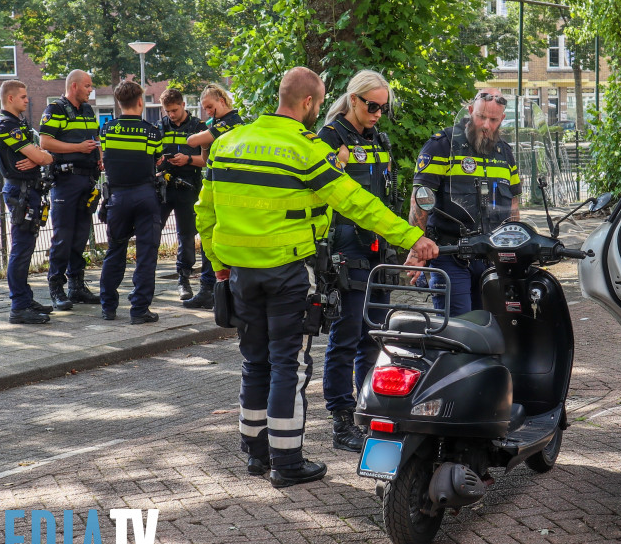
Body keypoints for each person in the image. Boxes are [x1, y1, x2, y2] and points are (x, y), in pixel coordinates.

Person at [195, 66, 438, 488]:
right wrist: (412, 237)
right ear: (308, 103)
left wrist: (219, 265)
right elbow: (357, 203)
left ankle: (255, 454)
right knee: (289, 364)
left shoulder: (228, 143)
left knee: (255, 362)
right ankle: (286, 461)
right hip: (289, 273)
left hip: (240, 275)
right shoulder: (307, 150)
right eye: (319, 103)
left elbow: (205, 212)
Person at [316, 69, 398, 452]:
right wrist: (337, 166)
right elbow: (317, 193)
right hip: (346, 249)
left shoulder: (378, 138)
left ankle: (367, 410)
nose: (378, 112)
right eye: (372, 105)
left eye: (383, 107)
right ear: (353, 100)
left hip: (378, 249)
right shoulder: (330, 138)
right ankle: (341, 419)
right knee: (346, 336)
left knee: (372, 336)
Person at [411, 89, 520, 315]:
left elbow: (513, 205)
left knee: (490, 326)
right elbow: (420, 199)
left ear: (502, 119)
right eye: (481, 116)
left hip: (490, 256)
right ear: (470, 111)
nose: (486, 125)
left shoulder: (505, 153)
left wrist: (514, 248)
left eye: (493, 119)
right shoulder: (442, 145)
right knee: (457, 327)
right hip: (450, 253)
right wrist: (416, 248)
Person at [98, 80, 163, 324]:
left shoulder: (107, 130)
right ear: (139, 102)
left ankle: (108, 307)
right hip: (145, 195)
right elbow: (156, 159)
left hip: (117, 197)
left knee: (115, 250)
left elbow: (107, 157)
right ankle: (139, 310)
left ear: (118, 102)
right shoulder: (151, 132)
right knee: (146, 254)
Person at [0, 80, 54, 324]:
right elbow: (42, 156)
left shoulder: (20, 124)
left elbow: (42, 154)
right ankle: (18, 306)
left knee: (26, 248)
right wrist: (40, 158)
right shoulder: (5, 126)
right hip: (21, 192)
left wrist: (39, 157)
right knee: (21, 249)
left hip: (29, 191)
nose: (28, 100)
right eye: (24, 97)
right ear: (10, 99)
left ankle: (25, 299)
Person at [39, 69, 102, 311]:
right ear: (74, 86)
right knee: (63, 236)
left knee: (80, 235)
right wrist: (77, 147)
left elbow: (95, 140)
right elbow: (45, 142)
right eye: (87, 85)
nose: (91, 89)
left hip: (87, 180)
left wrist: (99, 157)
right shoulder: (54, 109)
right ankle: (56, 286)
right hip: (65, 181)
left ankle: (77, 286)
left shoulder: (87, 110)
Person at [183, 83, 244, 309]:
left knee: (213, 237)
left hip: (226, 187)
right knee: (210, 238)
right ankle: (211, 288)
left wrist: (203, 133)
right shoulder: (219, 124)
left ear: (222, 100)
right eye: (205, 109)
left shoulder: (231, 122)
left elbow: (192, 142)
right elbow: (205, 158)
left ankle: (212, 288)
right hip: (217, 183)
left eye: (210, 107)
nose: (208, 112)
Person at [157, 88, 211, 302]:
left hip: (188, 186)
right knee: (152, 231)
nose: (171, 115)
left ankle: (184, 279)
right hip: (164, 185)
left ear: (183, 105)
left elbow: (206, 159)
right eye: (168, 111)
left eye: (174, 110)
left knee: (186, 235)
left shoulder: (198, 127)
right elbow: (152, 153)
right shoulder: (160, 126)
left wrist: (187, 160)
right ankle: (145, 281)